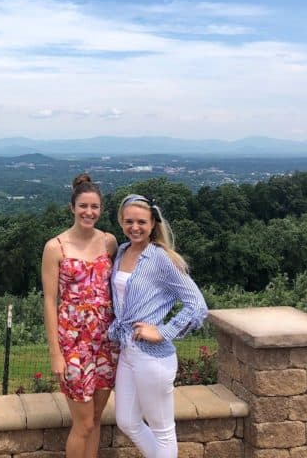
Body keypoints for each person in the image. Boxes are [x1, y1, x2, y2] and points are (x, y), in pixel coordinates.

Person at [109, 194, 208, 458]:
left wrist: (163, 331)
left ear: (153, 223)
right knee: (127, 421)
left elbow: (197, 305)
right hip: (128, 351)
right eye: (129, 221)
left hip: (152, 357)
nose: (135, 227)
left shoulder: (161, 259)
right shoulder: (121, 251)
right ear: (121, 222)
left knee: (162, 429)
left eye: (141, 222)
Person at [42, 173, 119, 458]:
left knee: (96, 419)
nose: (89, 212)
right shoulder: (56, 247)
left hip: (106, 343)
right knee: (83, 423)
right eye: (84, 206)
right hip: (73, 345)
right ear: (72, 207)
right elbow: (50, 302)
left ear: (101, 209)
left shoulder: (109, 242)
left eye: (95, 207)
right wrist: (55, 352)